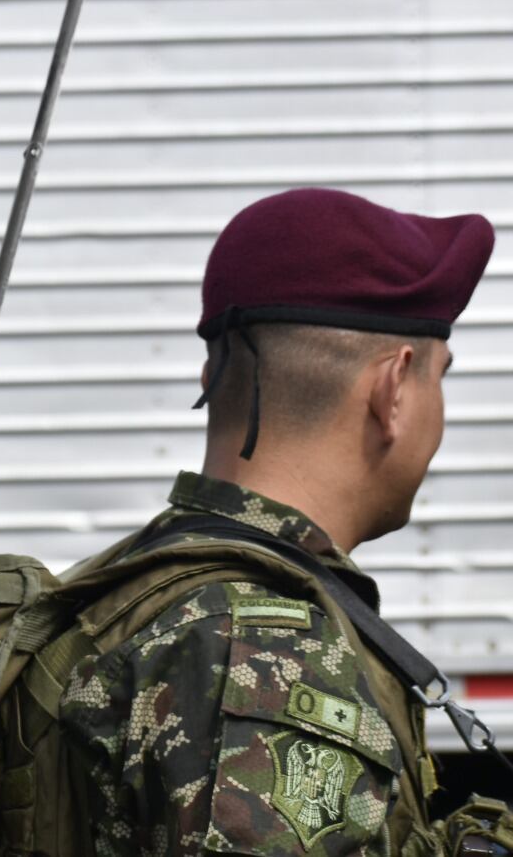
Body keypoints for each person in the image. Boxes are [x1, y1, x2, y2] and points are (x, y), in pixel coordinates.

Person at [46, 188, 501, 854]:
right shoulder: (266, 654)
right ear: (394, 390)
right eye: (440, 377)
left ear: (213, 373)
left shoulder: (123, 582)